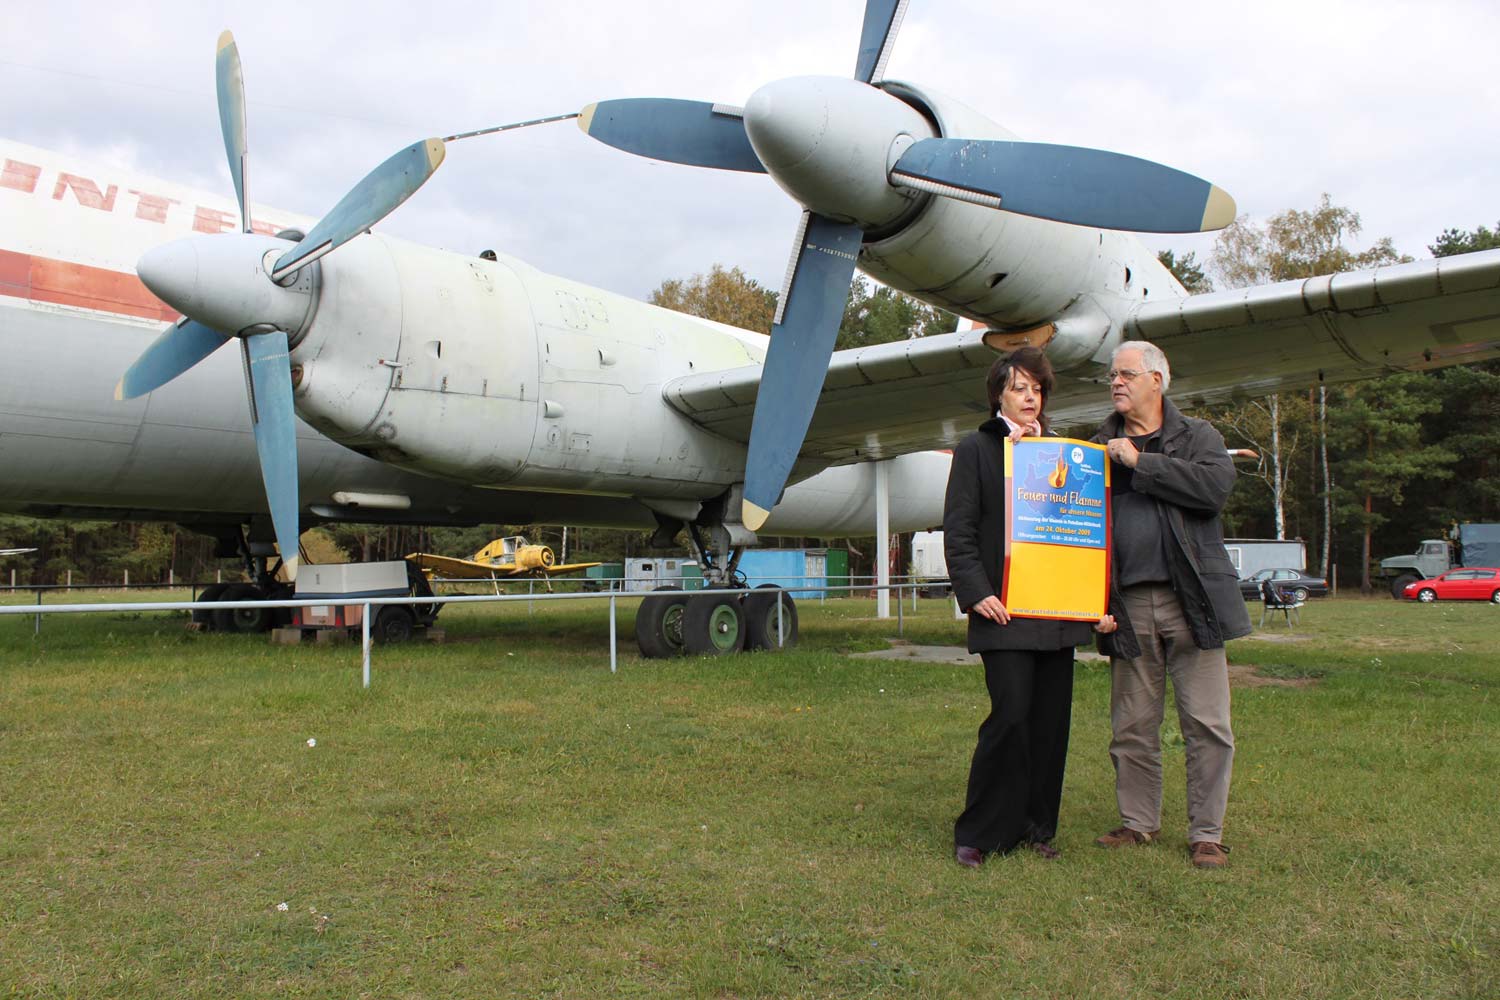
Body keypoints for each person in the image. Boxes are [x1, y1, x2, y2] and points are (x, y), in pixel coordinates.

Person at [944, 346, 1116, 867]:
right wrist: (976, 593)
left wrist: (1096, 603)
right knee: (1011, 716)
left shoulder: (1067, 455)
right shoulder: (976, 450)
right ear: (999, 392)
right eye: (1019, 387)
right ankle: (979, 831)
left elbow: (1081, 536)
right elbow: (960, 530)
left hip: (1057, 615)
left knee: (1049, 724)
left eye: (1037, 389)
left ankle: (1037, 827)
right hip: (1004, 612)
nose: (1030, 397)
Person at [1090, 340, 1251, 869]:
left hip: (1193, 599)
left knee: (1206, 723)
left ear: (1158, 380)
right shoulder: (1095, 447)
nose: (1116, 382)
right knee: (1132, 723)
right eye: (1111, 375)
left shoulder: (1196, 436)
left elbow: (1212, 490)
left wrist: (1142, 463)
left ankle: (1207, 833)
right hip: (1128, 602)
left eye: (1126, 374)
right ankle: (1138, 823)